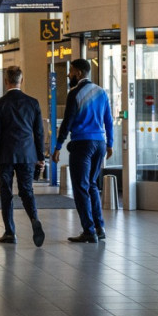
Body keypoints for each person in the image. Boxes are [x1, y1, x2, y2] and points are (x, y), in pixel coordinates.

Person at [51, 58, 113, 243]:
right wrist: (110, 143)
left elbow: (67, 123)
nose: (69, 74)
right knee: (92, 185)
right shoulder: (101, 92)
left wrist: (58, 146)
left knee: (80, 187)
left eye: (71, 71)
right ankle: (99, 227)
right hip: (99, 143)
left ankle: (88, 230)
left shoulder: (75, 93)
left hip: (82, 144)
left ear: (78, 73)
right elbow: (108, 120)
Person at [0, 66, 46, 247]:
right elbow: (39, 132)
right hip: (28, 154)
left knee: (6, 193)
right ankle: (34, 218)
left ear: (6, 81)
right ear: (22, 80)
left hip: (5, 154)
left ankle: (10, 232)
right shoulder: (33, 103)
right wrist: (40, 156)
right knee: (26, 190)